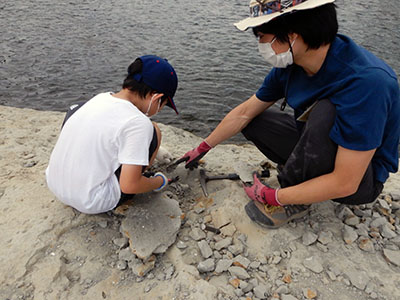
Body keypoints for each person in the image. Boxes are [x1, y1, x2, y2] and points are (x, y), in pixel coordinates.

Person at [179, 0, 400, 228]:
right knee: (256, 120)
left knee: (326, 111)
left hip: (361, 177)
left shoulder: (367, 82)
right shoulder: (292, 67)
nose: (260, 44)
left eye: (262, 36)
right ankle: (303, 176)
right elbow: (244, 112)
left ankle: (293, 201)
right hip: (318, 145)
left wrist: (274, 196)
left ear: (293, 36)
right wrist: (203, 147)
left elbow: (347, 183)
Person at [46, 55, 178, 214]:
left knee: (79, 110)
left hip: (54, 184)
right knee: (154, 130)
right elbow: (129, 185)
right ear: (156, 97)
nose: (160, 109)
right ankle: (141, 172)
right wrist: (159, 181)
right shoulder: (138, 123)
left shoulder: (100, 98)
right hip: (91, 201)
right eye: (163, 105)